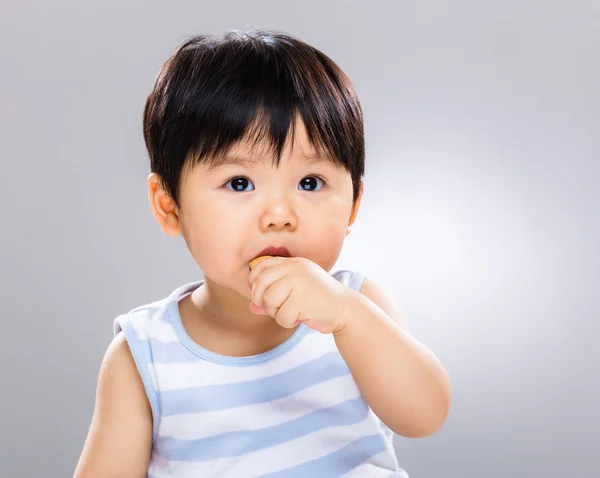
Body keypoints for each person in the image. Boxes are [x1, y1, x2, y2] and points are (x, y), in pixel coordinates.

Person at [74, 29, 451, 478]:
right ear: (169, 206)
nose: (279, 215)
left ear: (353, 206)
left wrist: (348, 316)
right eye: (239, 183)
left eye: (310, 183)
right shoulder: (145, 356)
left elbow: (424, 416)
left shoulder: (357, 305)